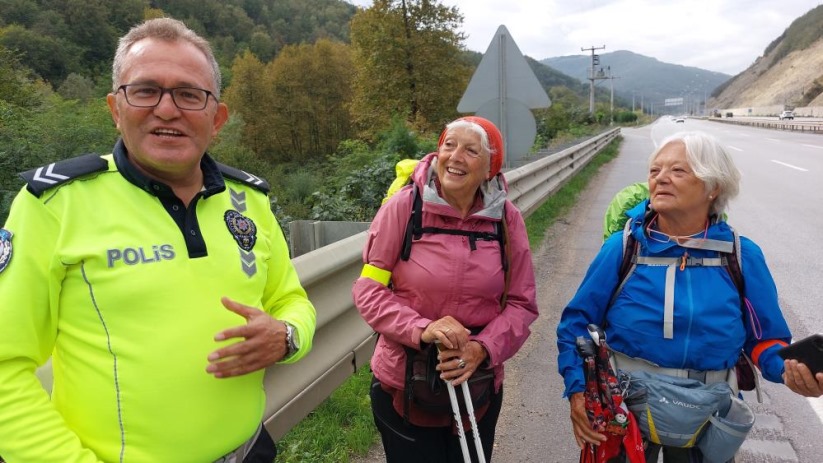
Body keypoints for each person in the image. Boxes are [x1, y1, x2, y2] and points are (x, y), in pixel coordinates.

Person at [0, 17, 316, 462]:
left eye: (189, 94)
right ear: (115, 107)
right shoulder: (53, 205)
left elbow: (292, 300)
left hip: (251, 451)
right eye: (146, 90)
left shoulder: (249, 200)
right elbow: (4, 369)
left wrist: (286, 336)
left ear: (217, 117)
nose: (167, 110)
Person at [556, 131, 815, 462]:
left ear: (713, 186)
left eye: (678, 171)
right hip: (624, 413)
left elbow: (766, 340)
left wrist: (794, 372)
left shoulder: (740, 256)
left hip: (706, 417)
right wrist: (577, 391)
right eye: (655, 171)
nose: (661, 178)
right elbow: (576, 324)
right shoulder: (623, 248)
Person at [352, 116, 539, 462]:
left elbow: (521, 303)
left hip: (478, 384)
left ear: (489, 168)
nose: (455, 156)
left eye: (471, 150)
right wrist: (423, 328)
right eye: (449, 145)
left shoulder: (506, 219)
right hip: (403, 381)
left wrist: (482, 348)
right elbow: (369, 290)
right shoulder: (404, 208)